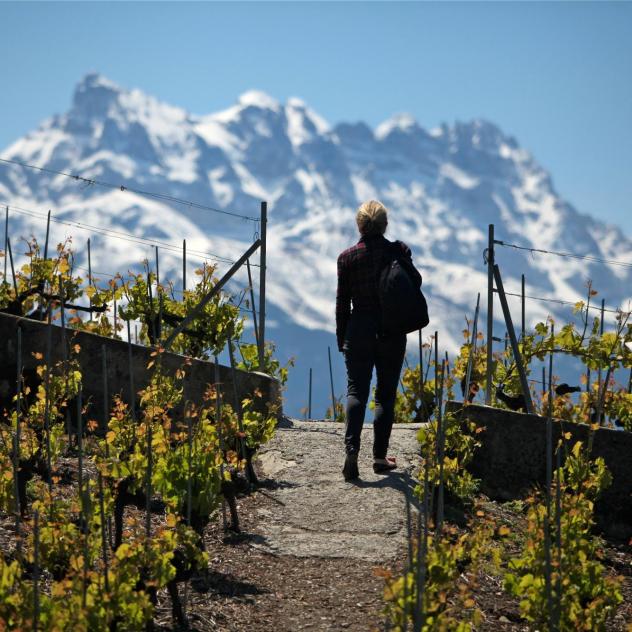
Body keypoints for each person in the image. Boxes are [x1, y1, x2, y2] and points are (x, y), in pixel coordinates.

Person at [336, 200, 415, 481]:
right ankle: (380, 458)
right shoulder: (400, 252)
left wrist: (341, 336)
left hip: (359, 329)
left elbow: (342, 303)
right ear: (385, 225)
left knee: (356, 391)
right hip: (391, 331)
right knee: (385, 395)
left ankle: (351, 450)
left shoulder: (347, 258)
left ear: (359, 225)